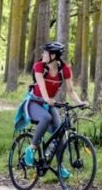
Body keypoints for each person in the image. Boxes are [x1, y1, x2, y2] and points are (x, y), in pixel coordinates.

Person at [20, 41, 85, 174]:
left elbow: (71, 91)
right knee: (46, 117)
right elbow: (42, 87)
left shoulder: (64, 69)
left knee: (59, 132)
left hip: (48, 103)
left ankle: (60, 167)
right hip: (34, 102)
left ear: (53, 55)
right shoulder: (39, 67)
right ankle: (31, 149)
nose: (42, 54)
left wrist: (80, 102)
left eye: (45, 52)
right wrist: (47, 99)